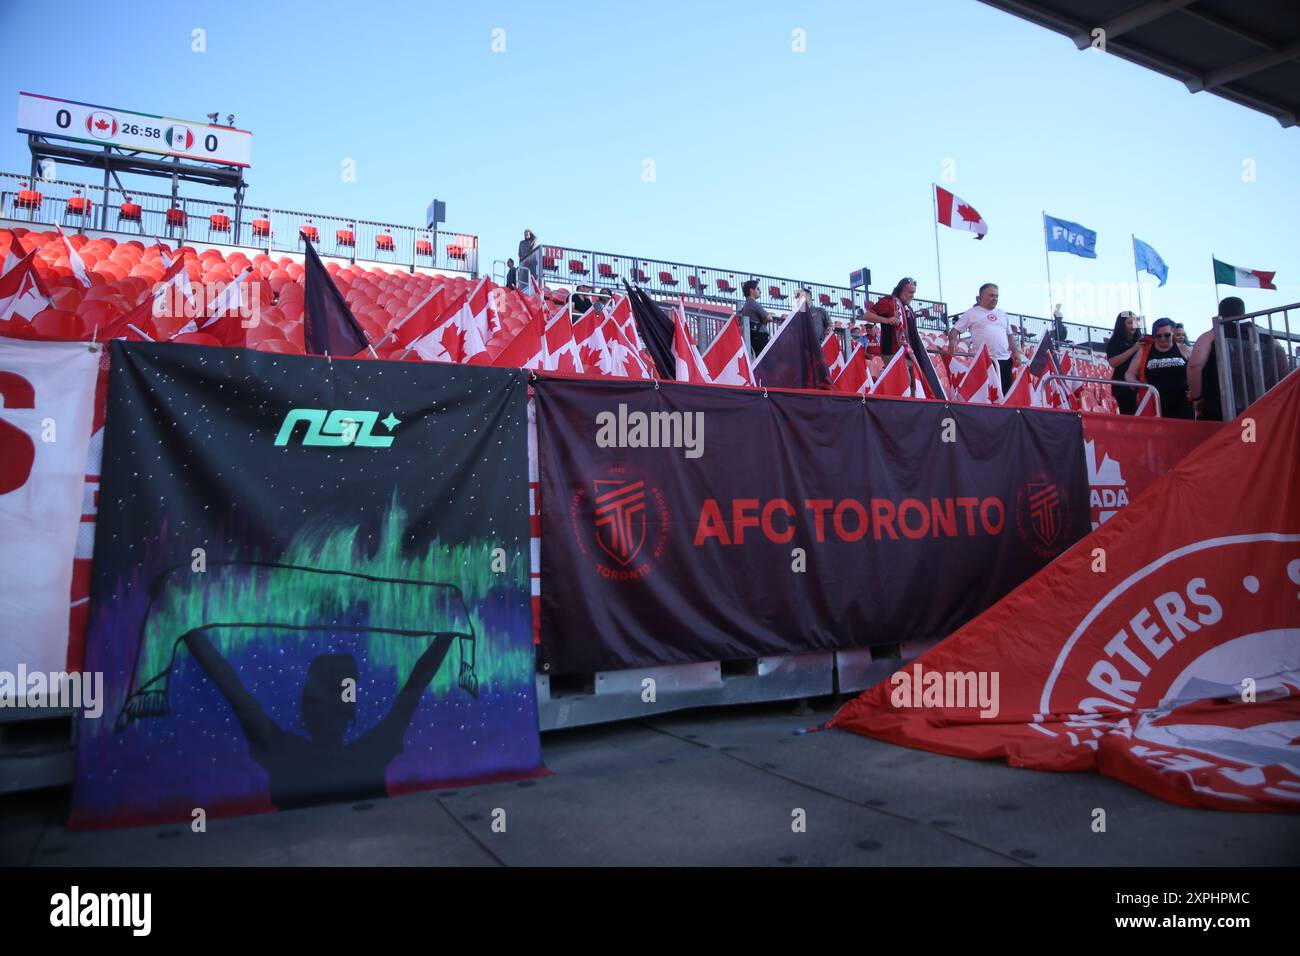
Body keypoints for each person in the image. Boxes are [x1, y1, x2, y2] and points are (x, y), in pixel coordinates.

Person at [1188, 296, 1289, 421]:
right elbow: (1283, 365)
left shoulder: (1211, 335)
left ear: (1220, 313)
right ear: (1243, 313)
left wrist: (1197, 398)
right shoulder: (1266, 335)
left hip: (1220, 406)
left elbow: (1195, 366)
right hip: (1262, 403)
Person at [948, 282, 1022, 394]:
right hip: (984, 361)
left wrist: (1016, 351)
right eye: (991, 295)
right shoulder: (971, 313)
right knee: (986, 395)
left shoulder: (1003, 314)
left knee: (1005, 395)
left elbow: (1010, 336)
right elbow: (954, 331)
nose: (995, 298)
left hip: (1005, 361)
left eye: (997, 296)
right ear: (981, 297)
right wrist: (953, 341)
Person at [1125, 318, 1191, 418]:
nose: (1163, 338)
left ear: (1172, 332)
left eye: (1167, 335)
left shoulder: (1185, 350)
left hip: (1183, 404)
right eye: (1158, 336)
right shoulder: (1144, 351)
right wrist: (1134, 383)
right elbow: (1130, 373)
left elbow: (1198, 371)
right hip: (1154, 405)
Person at [1104, 310, 1143, 415]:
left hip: (1139, 384)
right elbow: (1113, 362)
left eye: (1135, 322)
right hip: (1123, 386)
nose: (1133, 326)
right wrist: (1133, 349)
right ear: (1122, 324)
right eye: (1129, 323)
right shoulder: (1115, 341)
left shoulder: (1140, 339)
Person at [869, 278, 918, 360]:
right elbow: (867, 316)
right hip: (892, 354)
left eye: (914, 293)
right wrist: (887, 320)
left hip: (908, 354)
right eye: (910, 292)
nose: (912, 296)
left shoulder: (909, 310)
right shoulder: (888, 302)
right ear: (900, 290)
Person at [739, 279, 773, 355]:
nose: (760, 291)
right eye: (757, 289)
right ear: (751, 290)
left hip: (755, 338)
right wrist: (767, 316)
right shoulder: (753, 303)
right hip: (760, 338)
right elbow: (769, 318)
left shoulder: (747, 305)